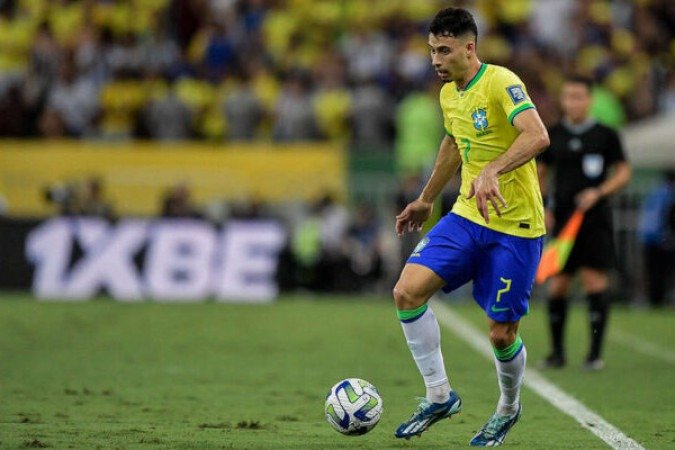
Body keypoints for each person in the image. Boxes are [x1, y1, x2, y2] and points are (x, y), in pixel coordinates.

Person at [392, 8, 549, 446]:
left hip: (515, 226)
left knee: (501, 334)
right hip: (466, 216)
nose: (436, 60)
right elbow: (453, 143)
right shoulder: (448, 94)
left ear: (469, 47)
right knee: (406, 292)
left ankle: (508, 407)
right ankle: (439, 395)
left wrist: (493, 169)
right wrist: (426, 198)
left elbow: (537, 135)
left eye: (444, 50)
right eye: (431, 51)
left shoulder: (501, 81)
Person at [537, 75, 631, 370]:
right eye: (568, 96)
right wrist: (544, 207)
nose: (573, 102)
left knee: (594, 281)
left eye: (579, 96)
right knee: (558, 285)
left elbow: (623, 172)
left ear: (589, 100)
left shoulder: (606, 135)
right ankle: (557, 354)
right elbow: (540, 174)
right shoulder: (553, 134)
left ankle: (594, 355)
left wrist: (599, 192)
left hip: (595, 220)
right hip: (564, 221)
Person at [638, 169, 675, 307]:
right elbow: (666, 217)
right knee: (663, 272)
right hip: (661, 238)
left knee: (653, 272)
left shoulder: (654, 192)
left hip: (646, 237)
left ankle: (654, 299)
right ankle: (659, 299)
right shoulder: (669, 194)